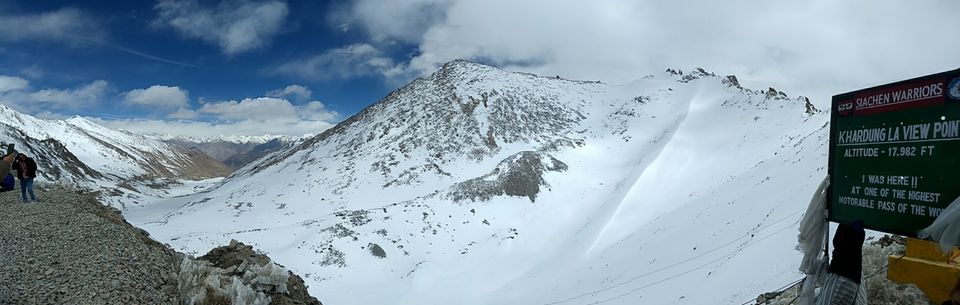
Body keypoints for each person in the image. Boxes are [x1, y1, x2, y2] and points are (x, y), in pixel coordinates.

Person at [816, 221, 867, 305]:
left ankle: (855, 232)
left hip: (848, 278)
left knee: (845, 244)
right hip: (843, 278)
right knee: (845, 243)